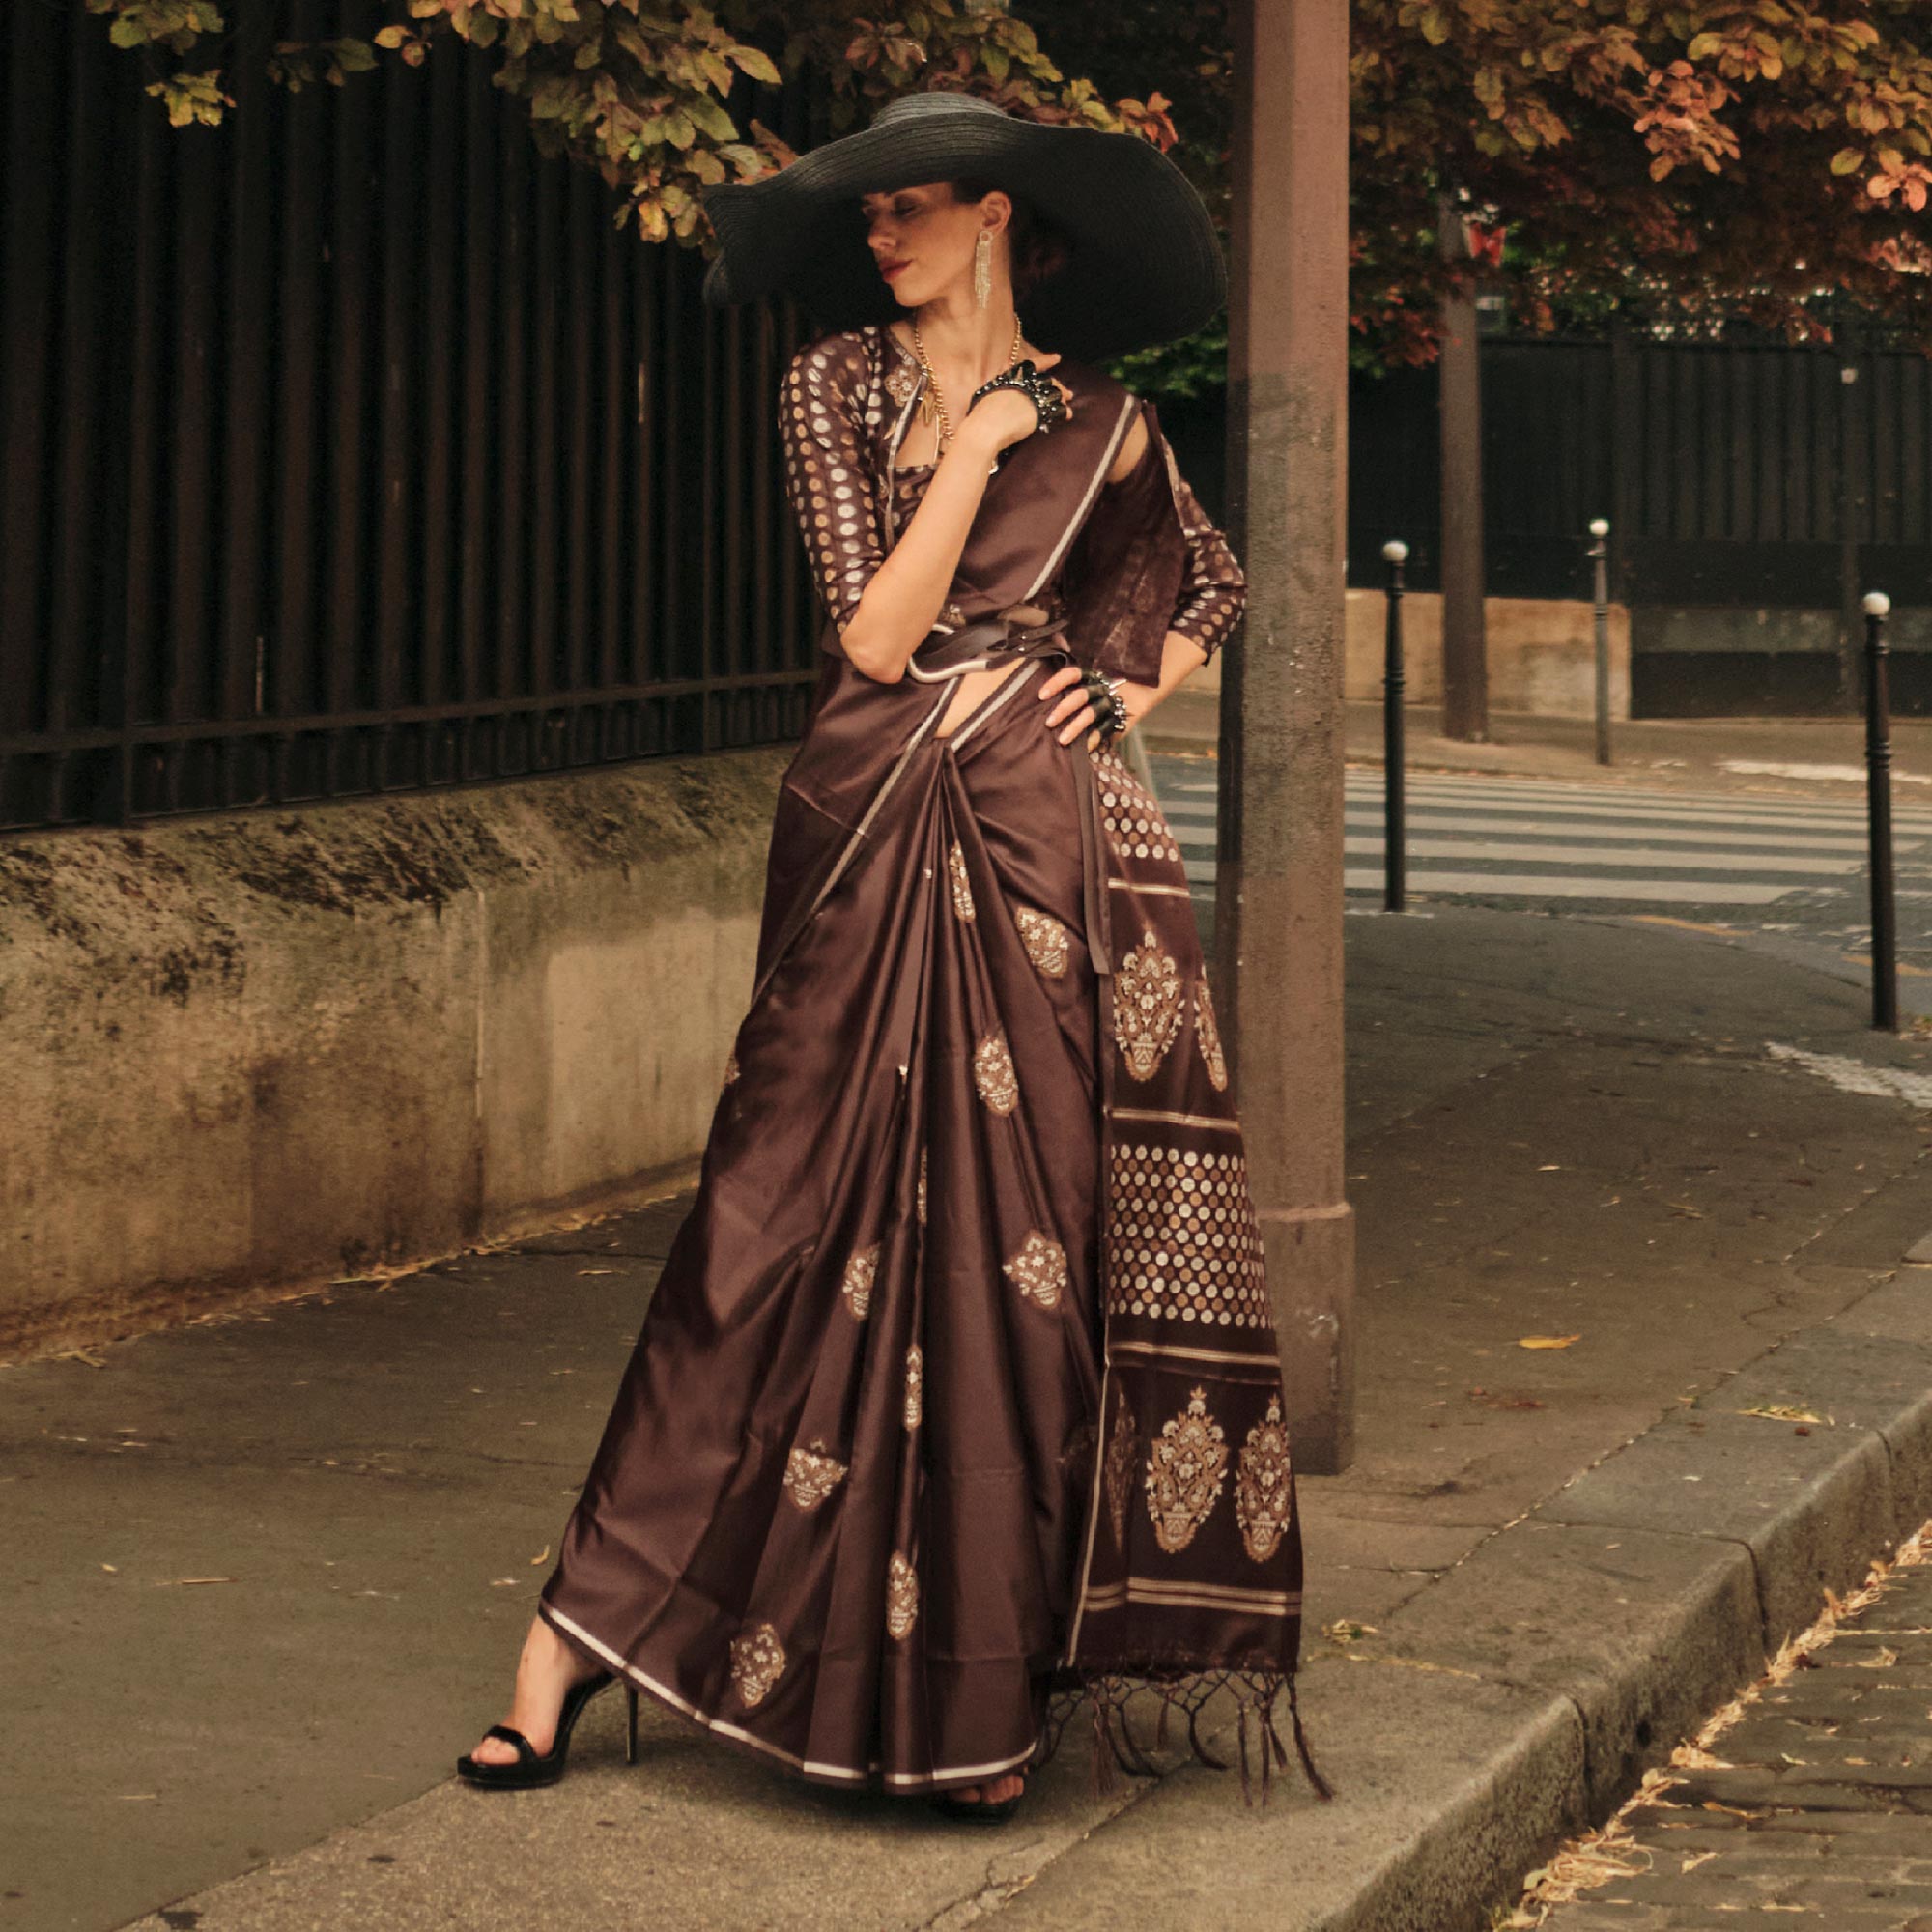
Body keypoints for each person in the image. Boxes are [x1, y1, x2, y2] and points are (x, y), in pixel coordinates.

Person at [457, 88, 1333, 1822]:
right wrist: (986, 442)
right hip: (871, 827)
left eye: (911, 208)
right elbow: (873, 634)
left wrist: (1115, 688)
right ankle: (564, 1649)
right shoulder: (838, 387)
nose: (882, 237)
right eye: (869, 218)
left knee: (1020, 1259)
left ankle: (971, 1695)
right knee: (761, 1225)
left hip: (1051, 854)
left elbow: (1212, 583)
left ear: (998, 217)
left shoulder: (1110, 418)